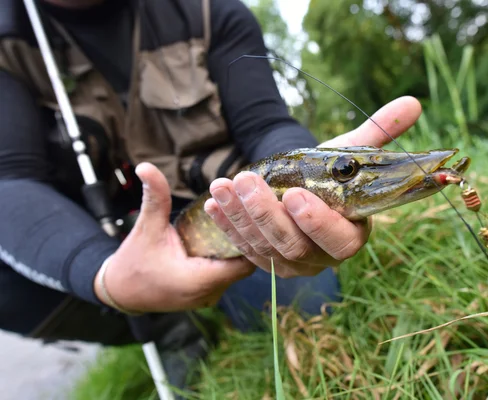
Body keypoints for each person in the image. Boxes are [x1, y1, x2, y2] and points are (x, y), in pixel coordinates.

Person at [0, 0, 422, 392]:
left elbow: (264, 124)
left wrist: (321, 162)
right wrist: (104, 277)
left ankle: (207, 299)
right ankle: (163, 322)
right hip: (98, 233)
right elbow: (10, 178)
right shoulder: (8, 37)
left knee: (309, 309)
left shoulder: (208, 10)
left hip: (230, 219)